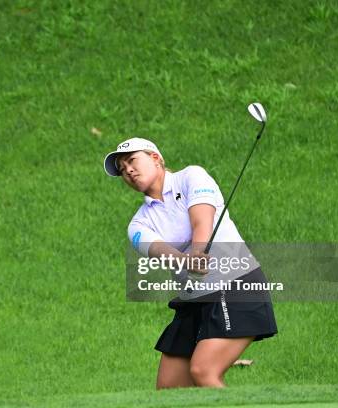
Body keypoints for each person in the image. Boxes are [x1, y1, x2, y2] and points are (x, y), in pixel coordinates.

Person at [103, 137, 277, 388]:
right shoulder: (138, 224)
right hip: (194, 299)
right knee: (169, 389)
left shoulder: (191, 177)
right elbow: (157, 249)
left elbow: (201, 220)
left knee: (203, 371)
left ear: (156, 158)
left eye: (132, 160)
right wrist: (186, 261)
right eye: (121, 169)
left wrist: (197, 252)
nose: (127, 170)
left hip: (236, 284)